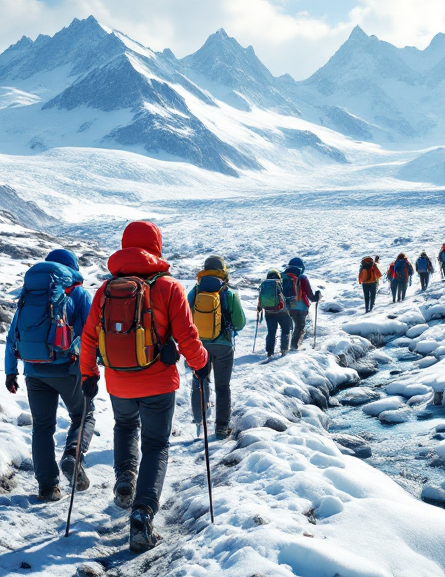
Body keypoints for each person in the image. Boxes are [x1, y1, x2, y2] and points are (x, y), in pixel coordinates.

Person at [79, 221, 208, 553]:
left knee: (124, 425)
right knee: (156, 446)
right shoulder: (169, 287)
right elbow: (187, 336)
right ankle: (143, 514)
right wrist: (200, 362)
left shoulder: (106, 289)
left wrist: (88, 374)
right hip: (159, 382)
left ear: (125, 246)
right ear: (156, 246)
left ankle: (125, 480)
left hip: (118, 380)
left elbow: (90, 337)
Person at [4, 248, 95, 503]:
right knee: (83, 414)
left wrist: (11, 371)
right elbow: (90, 334)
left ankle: (48, 488)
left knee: (42, 427)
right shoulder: (77, 292)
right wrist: (92, 368)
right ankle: (73, 456)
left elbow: (13, 335)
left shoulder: (30, 293)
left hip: (34, 370)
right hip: (68, 369)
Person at [187, 256, 246, 440]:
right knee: (222, 386)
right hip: (223, 346)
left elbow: (185, 318)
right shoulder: (228, 293)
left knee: (199, 383)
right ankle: (221, 428)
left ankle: (199, 421)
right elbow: (240, 322)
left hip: (199, 345)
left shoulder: (195, 292)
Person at [282, 257, 320, 350]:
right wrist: (317, 296)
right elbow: (311, 297)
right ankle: (294, 346)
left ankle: (284, 347)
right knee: (299, 326)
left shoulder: (282, 276)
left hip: (284, 306)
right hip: (300, 308)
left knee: (286, 328)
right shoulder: (302, 278)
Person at [259, 269, 293, 358]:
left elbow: (261, 298)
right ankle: (284, 349)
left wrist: (259, 308)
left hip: (269, 312)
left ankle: (269, 352)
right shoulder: (280, 283)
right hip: (282, 312)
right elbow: (287, 296)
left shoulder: (264, 284)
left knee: (271, 332)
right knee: (285, 330)